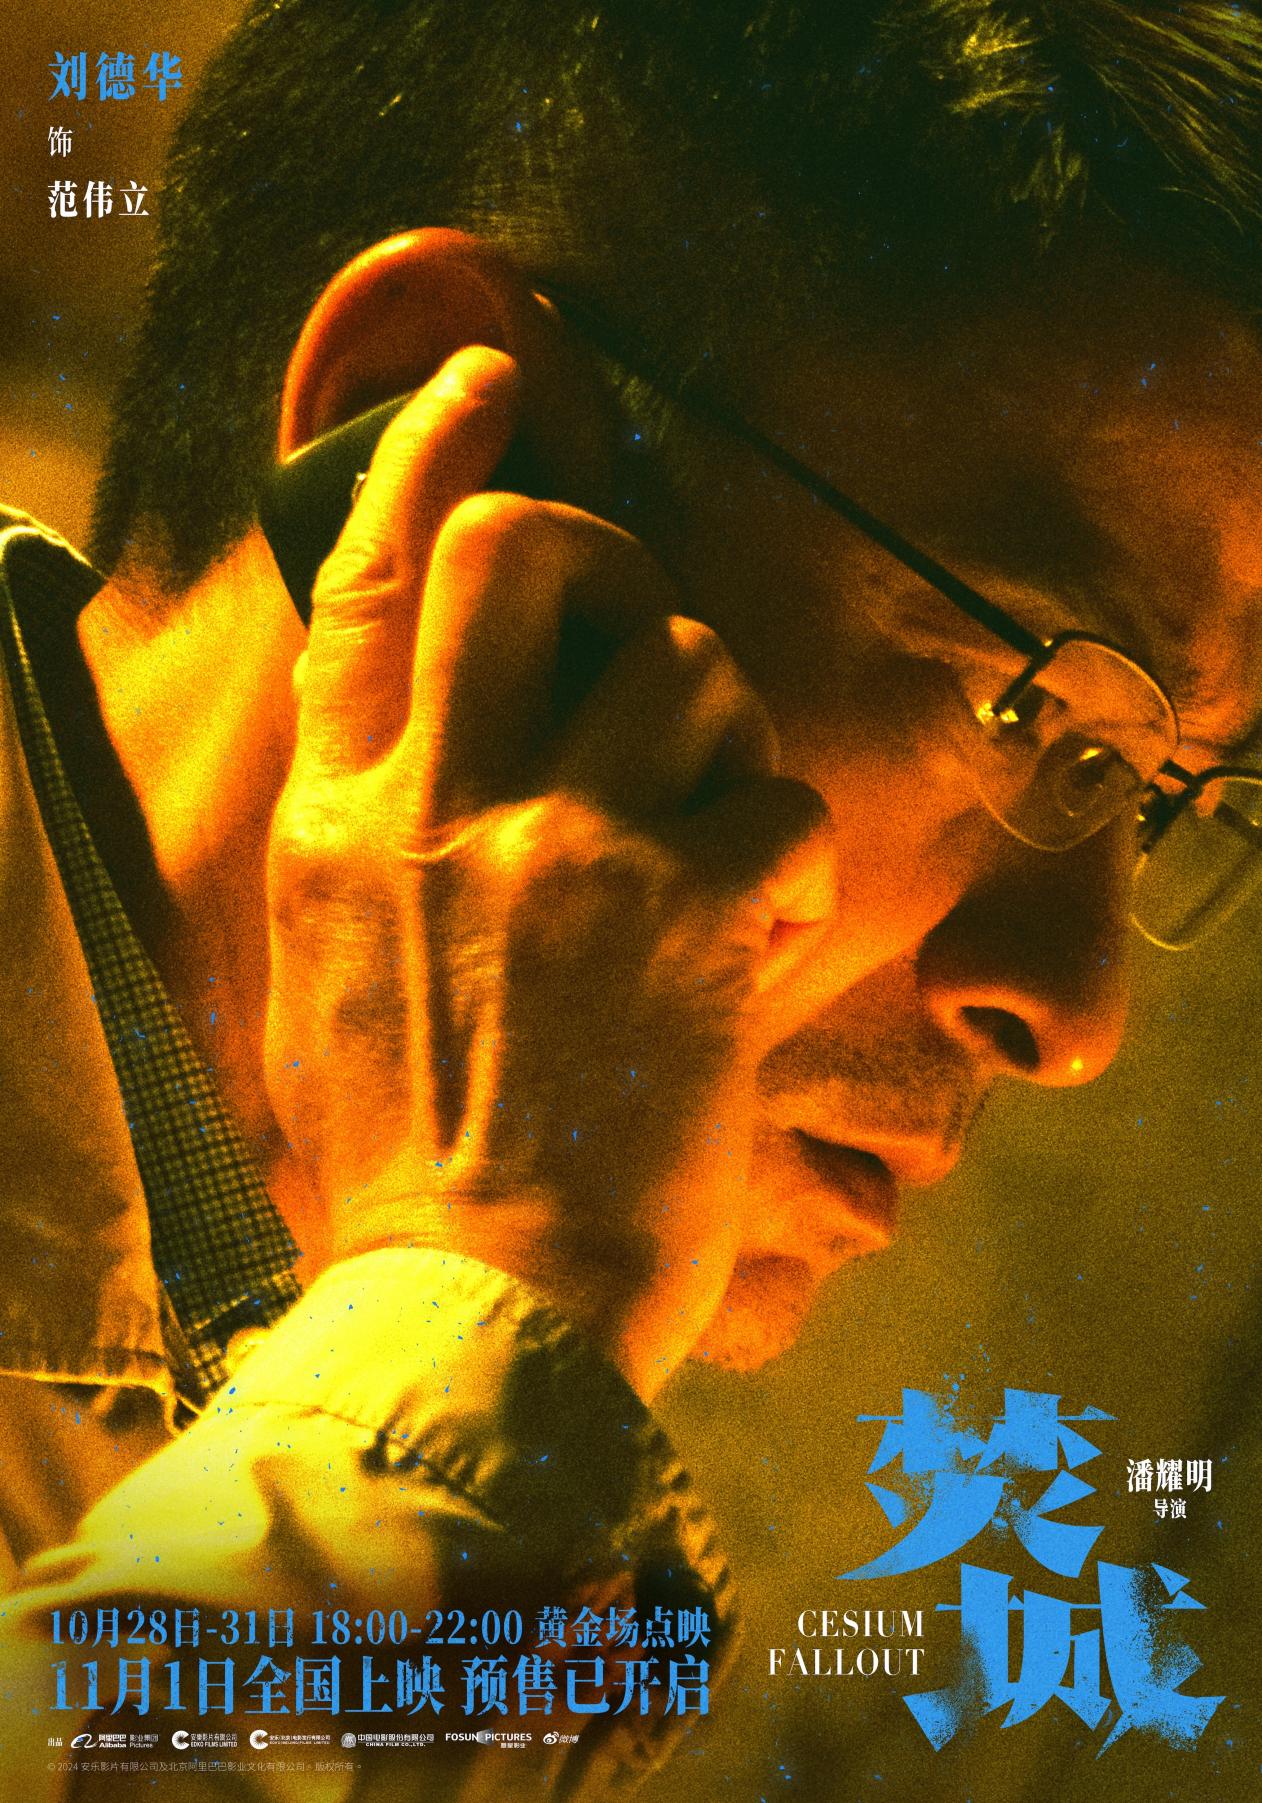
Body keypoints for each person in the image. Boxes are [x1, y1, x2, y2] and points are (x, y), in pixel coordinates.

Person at [2, 0, 1261, 1795]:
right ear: (440, 448)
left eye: (1152, 804)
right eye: (1036, 708)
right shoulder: (465, 1361)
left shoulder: (379, 1407)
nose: (1072, 1016)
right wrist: (497, 1268)